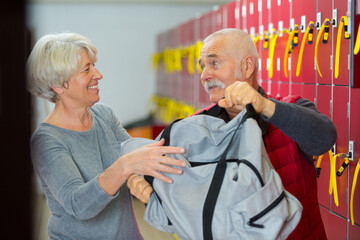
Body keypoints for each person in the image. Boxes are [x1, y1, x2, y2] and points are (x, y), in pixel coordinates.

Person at [128, 28, 337, 240]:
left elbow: (324, 139)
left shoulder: (290, 108)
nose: (204, 75)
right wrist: (150, 191)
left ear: (247, 67)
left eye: (214, 63)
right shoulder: (195, 129)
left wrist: (263, 105)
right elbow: (185, 203)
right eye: (202, 66)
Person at [27, 32, 187, 240]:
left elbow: (137, 154)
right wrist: (125, 167)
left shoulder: (104, 115)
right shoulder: (47, 140)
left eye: (94, 65)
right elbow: (78, 204)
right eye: (87, 69)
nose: (98, 74)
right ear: (58, 85)